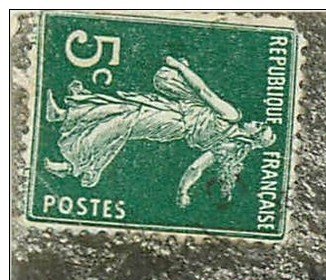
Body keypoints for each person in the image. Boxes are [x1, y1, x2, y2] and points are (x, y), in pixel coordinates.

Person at [43, 55, 275, 207]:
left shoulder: (232, 116)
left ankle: (73, 166)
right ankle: (64, 115)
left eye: (260, 126)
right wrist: (183, 191)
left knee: (122, 123)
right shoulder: (227, 148)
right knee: (122, 109)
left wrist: (180, 68)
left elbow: (204, 92)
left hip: (172, 120)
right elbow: (196, 168)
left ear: (254, 134)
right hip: (172, 115)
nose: (256, 122)